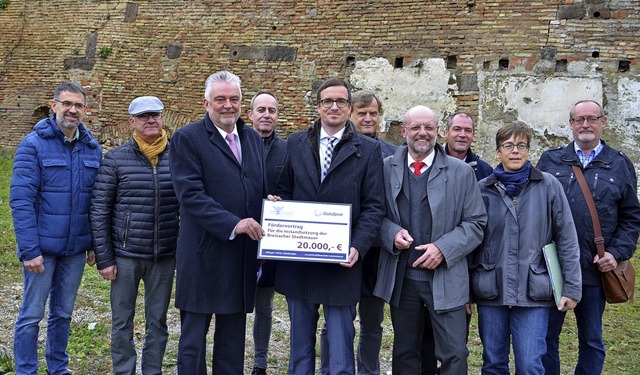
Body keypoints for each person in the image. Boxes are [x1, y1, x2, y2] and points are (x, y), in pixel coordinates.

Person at [272, 78, 385, 374]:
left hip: (341, 263)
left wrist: (357, 247)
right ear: (319, 106)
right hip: (301, 263)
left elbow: (374, 207)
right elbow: (284, 188)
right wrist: (278, 205)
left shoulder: (369, 150)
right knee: (299, 349)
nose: (334, 107)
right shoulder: (296, 142)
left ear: (349, 108)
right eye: (327, 101)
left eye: (341, 102)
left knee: (340, 350)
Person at [373, 105, 486, 375]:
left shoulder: (462, 172)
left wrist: (443, 249)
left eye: (429, 127)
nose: (422, 133)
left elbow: (476, 223)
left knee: (454, 354)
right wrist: (390, 233)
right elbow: (372, 215)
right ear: (404, 131)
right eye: (415, 127)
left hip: (447, 278)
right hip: (403, 280)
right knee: (406, 353)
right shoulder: (385, 168)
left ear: (438, 131)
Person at [169, 71, 266, 374]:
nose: (228, 106)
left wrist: (269, 205)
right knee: (193, 343)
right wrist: (234, 224)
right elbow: (191, 196)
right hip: (203, 255)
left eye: (234, 99)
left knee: (232, 342)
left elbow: (253, 185)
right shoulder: (188, 138)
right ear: (206, 103)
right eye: (220, 99)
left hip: (240, 258)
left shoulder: (251, 138)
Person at [538, 100, 640, 375]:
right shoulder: (550, 160)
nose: (586, 124)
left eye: (592, 119)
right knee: (546, 338)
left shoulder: (619, 164)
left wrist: (616, 254)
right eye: (579, 119)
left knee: (592, 341)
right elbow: (534, 209)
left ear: (603, 122)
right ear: (570, 124)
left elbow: (631, 217)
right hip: (555, 266)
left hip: (595, 268)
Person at [472, 121, 582, 374]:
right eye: (508, 145)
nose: (515, 151)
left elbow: (566, 237)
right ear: (498, 151)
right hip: (491, 289)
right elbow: (472, 241)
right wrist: (467, 291)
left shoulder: (548, 186)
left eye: (521, 145)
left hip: (534, 290)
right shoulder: (483, 189)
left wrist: (572, 288)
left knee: (531, 364)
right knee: (493, 364)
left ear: (529, 151)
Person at [10, 82, 102, 375]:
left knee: (62, 314)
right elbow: (21, 201)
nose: (72, 110)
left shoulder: (92, 147)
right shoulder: (32, 145)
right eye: (66, 104)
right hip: (42, 250)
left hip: (74, 249)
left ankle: (58, 368)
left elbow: (96, 201)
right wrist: (29, 249)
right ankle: (26, 370)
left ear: (86, 110)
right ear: (54, 106)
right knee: (31, 314)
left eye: (78, 105)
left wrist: (94, 243)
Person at [90, 96, 179, 375]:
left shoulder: (179, 158)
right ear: (132, 122)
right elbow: (99, 211)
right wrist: (105, 258)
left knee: (158, 322)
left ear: (163, 118)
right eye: (143, 116)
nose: (150, 120)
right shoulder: (115, 160)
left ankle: (152, 370)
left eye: (155, 115)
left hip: (164, 255)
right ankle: (124, 370)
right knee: (121, 321)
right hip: (125, 256)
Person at [318, 90, 395, 375]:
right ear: (351, 114)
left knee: (372, 322)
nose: (367, 118)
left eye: (373, 113)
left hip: (375, 252)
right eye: (361, 113)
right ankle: (329, 369)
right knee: (336, 319)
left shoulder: (393, 154)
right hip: (339, 248)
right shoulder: (334, 148)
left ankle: (368, 371)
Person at [418, 111, 494, 375]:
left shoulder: (484, 172)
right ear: (446, 132)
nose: (462, 135)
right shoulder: (424, 163)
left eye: (468, 130)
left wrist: (470, 288)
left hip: (459, 270)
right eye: (457, 129)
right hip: (420, 268)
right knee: (422, 341)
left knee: (454, 346)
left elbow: (481, 228)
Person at [247, 90, 286, 375]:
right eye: (261, 109)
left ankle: (260, 362)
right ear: (250, 115)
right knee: (234, 303)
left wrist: (283, 201)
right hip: (240, 234)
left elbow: (293, 186)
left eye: (272, 110)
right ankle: (231, 358)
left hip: (273, 238)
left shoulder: (288, 149)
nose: (266, 115)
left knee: (265, 303)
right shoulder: (237, 144)